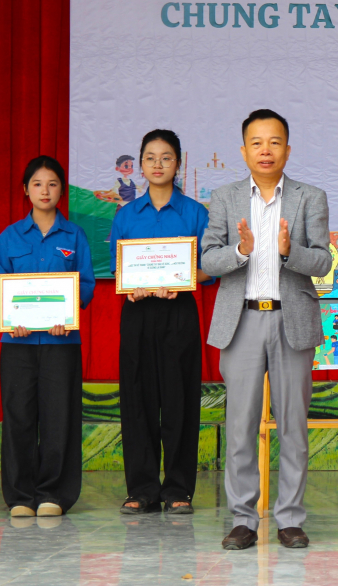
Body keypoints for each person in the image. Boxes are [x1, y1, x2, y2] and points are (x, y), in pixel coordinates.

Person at [202, 109, 331, 551]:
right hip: (241, 322)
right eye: (256, 143)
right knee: (240, 426)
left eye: (274, 142)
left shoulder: (310, 197)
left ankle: (290, 519)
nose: (265, 150)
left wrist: (290, 251)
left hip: (291, 320)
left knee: (293, 425)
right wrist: (241, 250)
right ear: (243, 151)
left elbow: (324, 261)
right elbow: (208, 259)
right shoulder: (224, 198)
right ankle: (243, 519)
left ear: (287, 150)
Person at [109, 129, 212, 516]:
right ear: (140, 165)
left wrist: (183, 280)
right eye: (150, 158)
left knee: (179, 400)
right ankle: (142, 489)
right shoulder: (125, 215)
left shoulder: (195, 213)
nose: (157, 164)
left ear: (178, 164)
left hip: (179, 311)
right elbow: (119, 269)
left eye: (166, 157)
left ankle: (178, 488)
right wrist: (130, 287)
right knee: (137, 400)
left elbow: (209, 268)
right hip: (137, 313)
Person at [0, 156, 95, 518]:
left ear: (62, 190)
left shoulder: (75, 236)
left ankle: (54, 493)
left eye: (52, 184)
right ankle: (20, 496)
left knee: (59, 417)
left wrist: (68, 315)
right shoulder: (8, 237)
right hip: (16, 344)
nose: (45, 191)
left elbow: (86, 284)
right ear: (26, 190)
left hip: (61, 343)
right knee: (18, 417)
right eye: (37, 184)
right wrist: (11, 320)